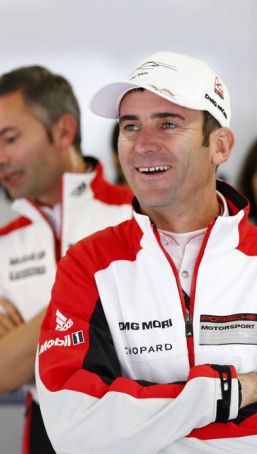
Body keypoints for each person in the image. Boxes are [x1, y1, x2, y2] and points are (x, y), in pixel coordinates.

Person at [36, 51, 257, 453]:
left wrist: (138, 433)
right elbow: (73, 428)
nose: (143, 145)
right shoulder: (87, 266)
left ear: (220, 146)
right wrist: (225, 393)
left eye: (168, 124)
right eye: (130, 126)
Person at [0, 65, 133, 453]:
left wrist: (28, 340)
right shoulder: (5, 243)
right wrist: (99, 301)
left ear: (63, 131)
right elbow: (3, 372)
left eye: (10, 138)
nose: (0, 157)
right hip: (44, 432)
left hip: (136, 424)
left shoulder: (136, 214)